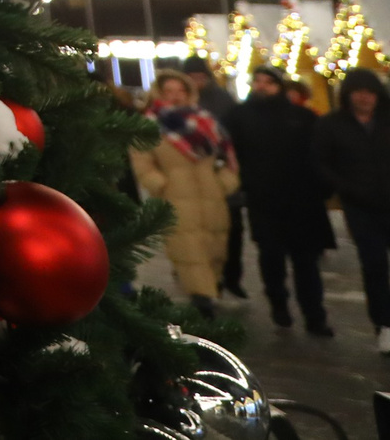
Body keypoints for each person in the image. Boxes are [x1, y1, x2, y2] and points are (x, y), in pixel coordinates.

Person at [228, 65, 336, 335]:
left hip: (303, 203)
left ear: (281, 86)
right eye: (258, 81)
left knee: (306, 264)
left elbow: (320, 157)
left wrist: (323, 189)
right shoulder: (239, 117)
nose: (262, 86)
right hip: (264, 202)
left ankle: (315, 316)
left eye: (269, 82)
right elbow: (232, 156)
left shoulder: (304, 117)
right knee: (271, 260)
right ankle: (280, 306)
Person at [131, 72, 241, 316]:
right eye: (169, 91)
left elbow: (228, 158)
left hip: (212, 199)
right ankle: (202, 303)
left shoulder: (207, 122)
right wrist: (161, 184)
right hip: (177, 199)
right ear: (159, 93)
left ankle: (210, 293)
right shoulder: (149, 125)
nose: (175, 96)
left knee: (215, 250)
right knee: (189, 254)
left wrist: (225, 183)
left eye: (180, 90)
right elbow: (142, 162)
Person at [316, 66, 390, 354]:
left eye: (370, 92)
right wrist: (344, 187)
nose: (365, 98)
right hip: (360, 206)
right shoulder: (332, 125)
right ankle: (384, 324)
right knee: (374, 266)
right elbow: (321, 162)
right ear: (348, 95)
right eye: (359, 92)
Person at [181, 57, 249, 298]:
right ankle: (208, 285)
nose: (196, 81)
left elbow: (235, 137)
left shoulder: (222, 100)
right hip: (190, 181)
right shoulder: (179, 103)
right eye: (191, 77)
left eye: (200, 76)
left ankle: (232, 276)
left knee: (232, 230)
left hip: (221, 175)